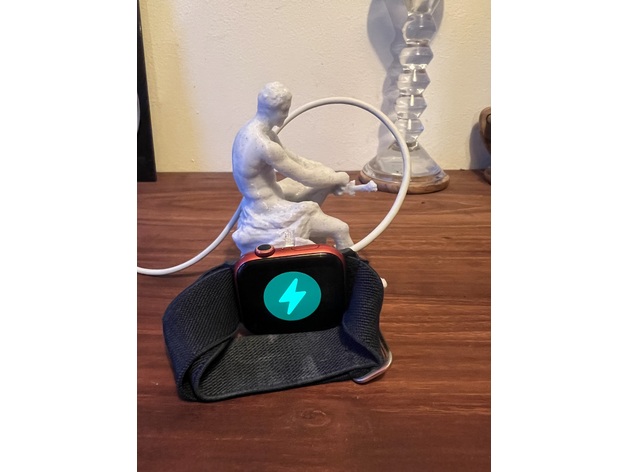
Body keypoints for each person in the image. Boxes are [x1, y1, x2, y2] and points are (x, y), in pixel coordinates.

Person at [231, 82, 354, 254]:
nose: (287, 115)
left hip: (268, 197)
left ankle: (317, 242)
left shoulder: (251, 132)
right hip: (267, 209)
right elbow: (305, 177)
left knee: (319, 181)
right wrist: (338, 178)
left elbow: (295, 159)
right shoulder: (265, 146)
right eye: (285, 110)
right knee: (341, 228)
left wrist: (327, 172)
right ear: (275, 110)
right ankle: (353, 268)